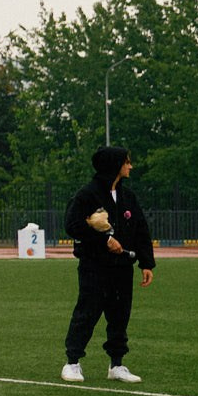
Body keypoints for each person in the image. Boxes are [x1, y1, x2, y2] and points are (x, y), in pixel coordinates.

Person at [63, 146, 156, 383]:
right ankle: (72, 362)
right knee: (87, 313)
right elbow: (72, 225)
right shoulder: (87, 194)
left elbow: (141, 230)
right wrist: (104, 240)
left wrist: (146, 263)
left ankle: (117, 365)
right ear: (114, 165)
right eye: (126, 162)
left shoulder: (128, 196)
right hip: (94, 266)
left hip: (122, 268)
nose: (130, 166)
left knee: (119, 316)